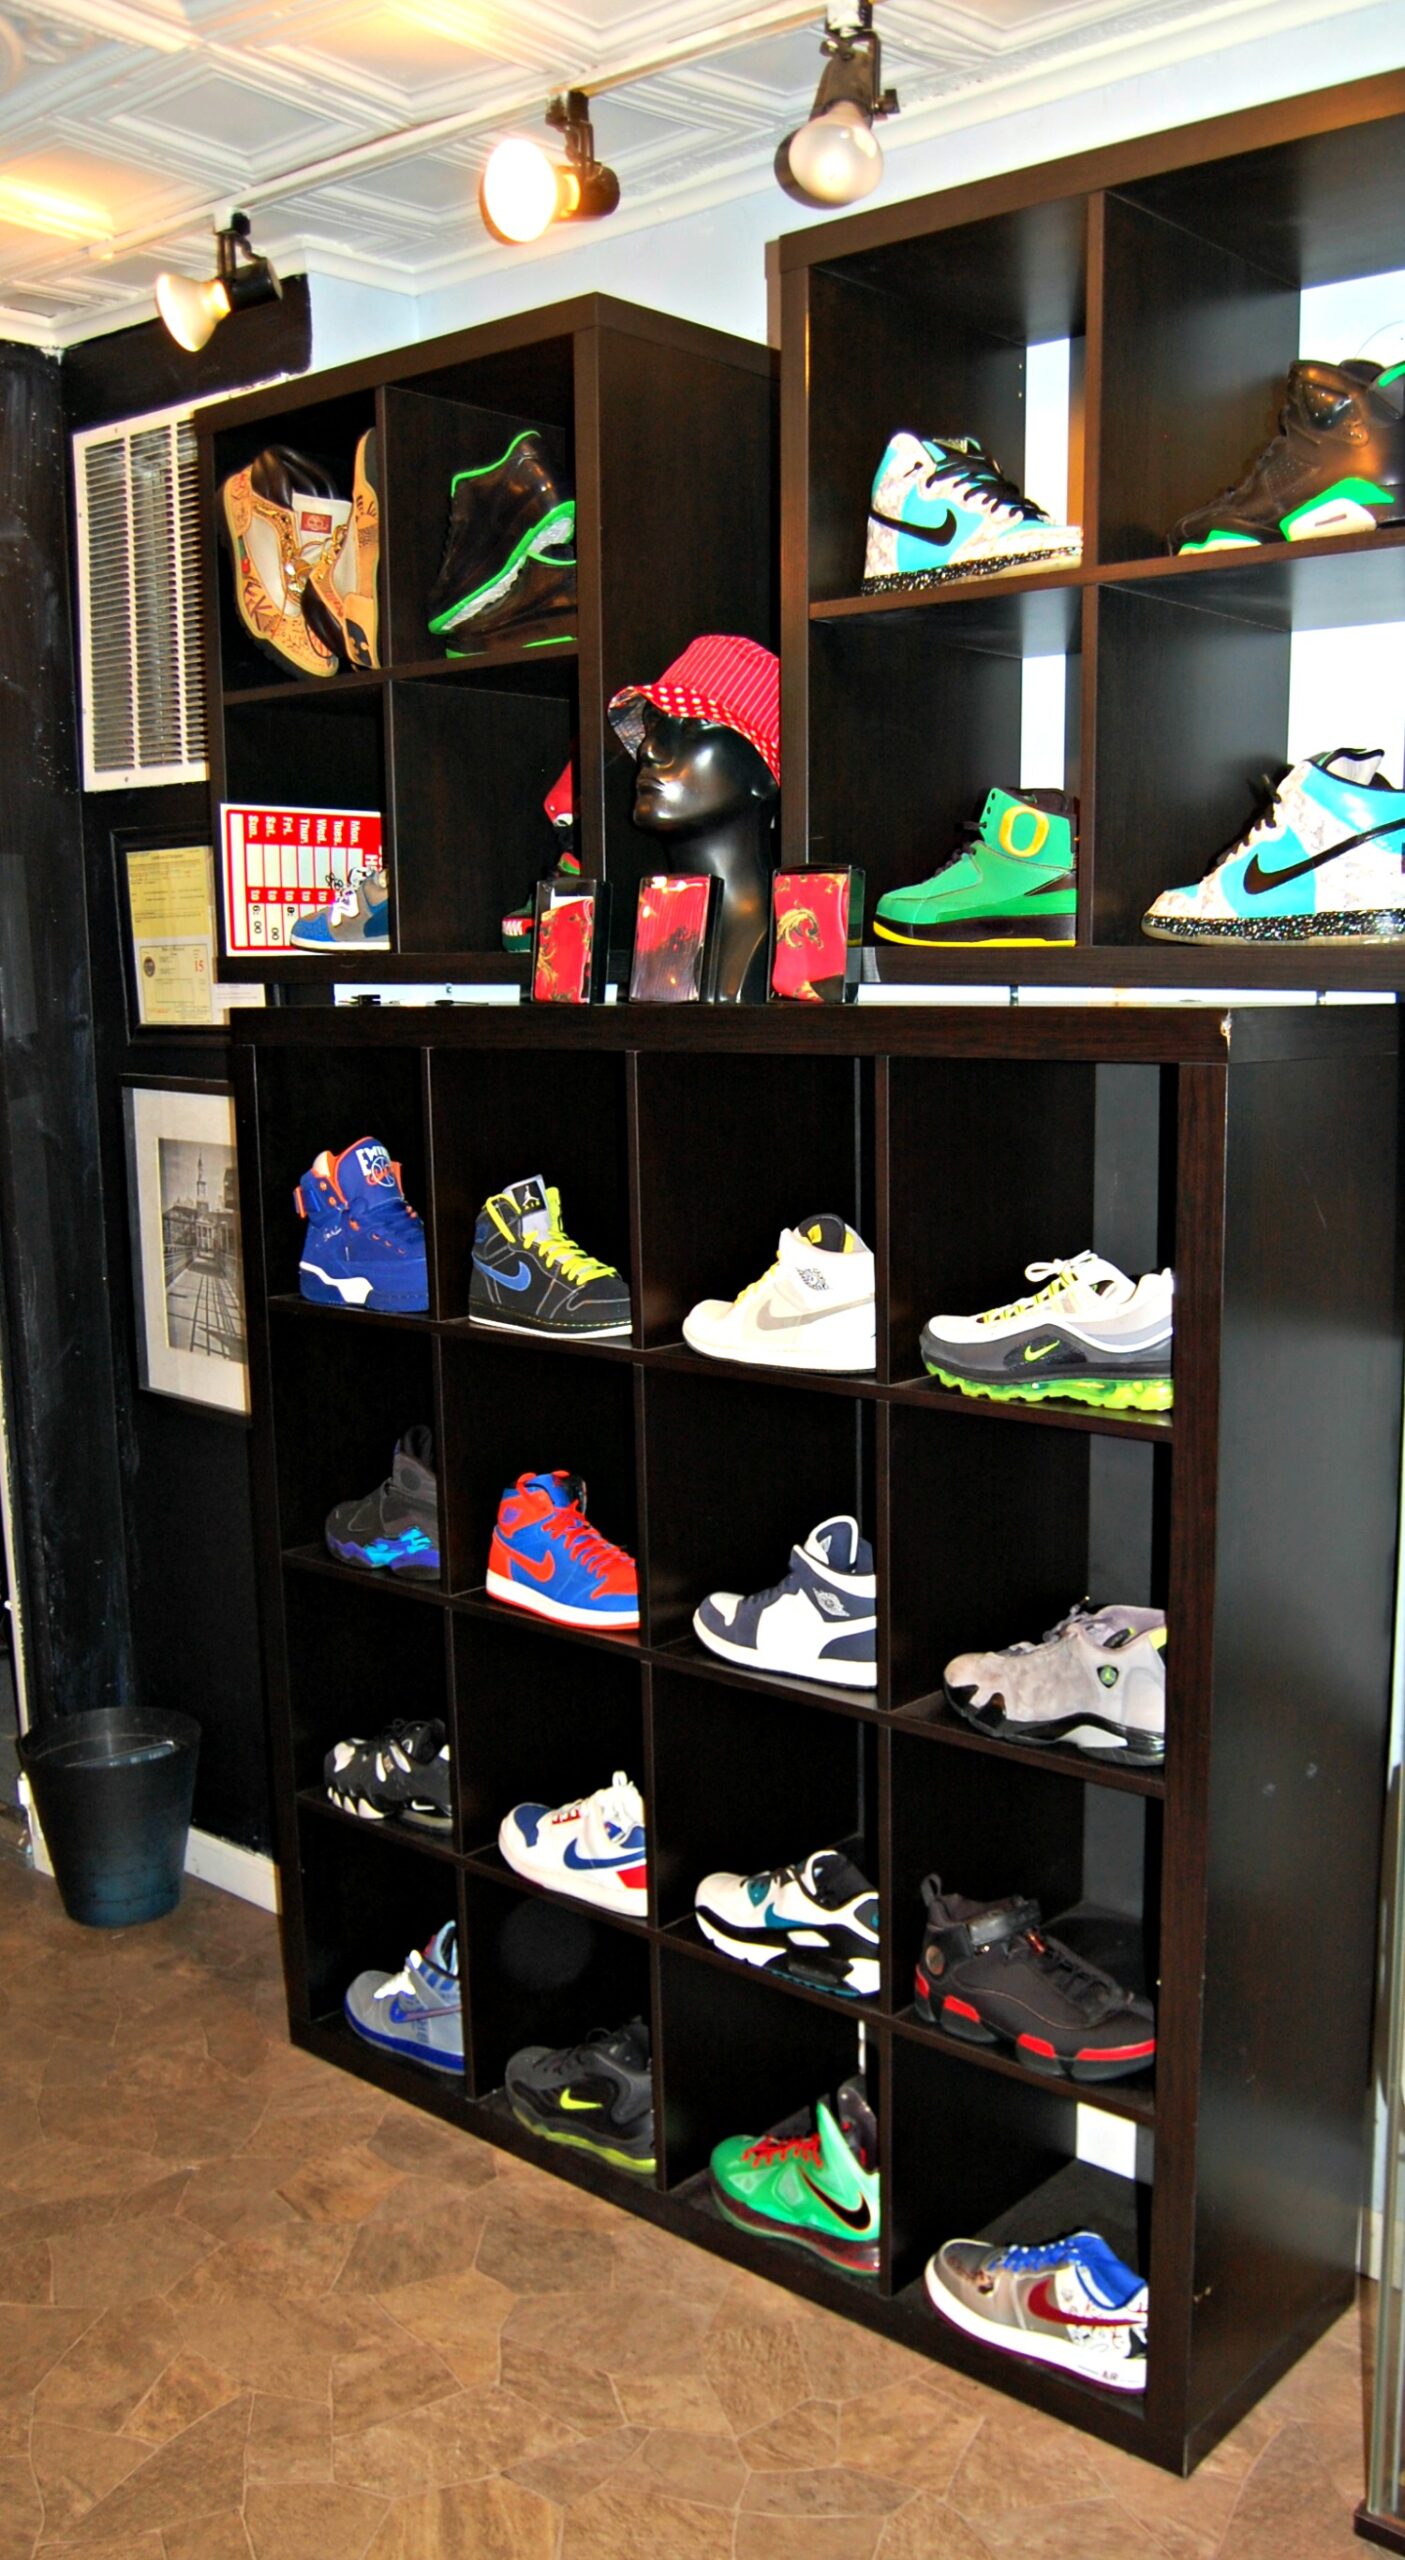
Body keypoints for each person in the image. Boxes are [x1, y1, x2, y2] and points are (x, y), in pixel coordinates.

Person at [609, 635, 779, 1003]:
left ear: (767, 773)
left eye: (697, 724)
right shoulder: (657, 936)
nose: (649, 748)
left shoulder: (773, 941)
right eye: (654, 723)